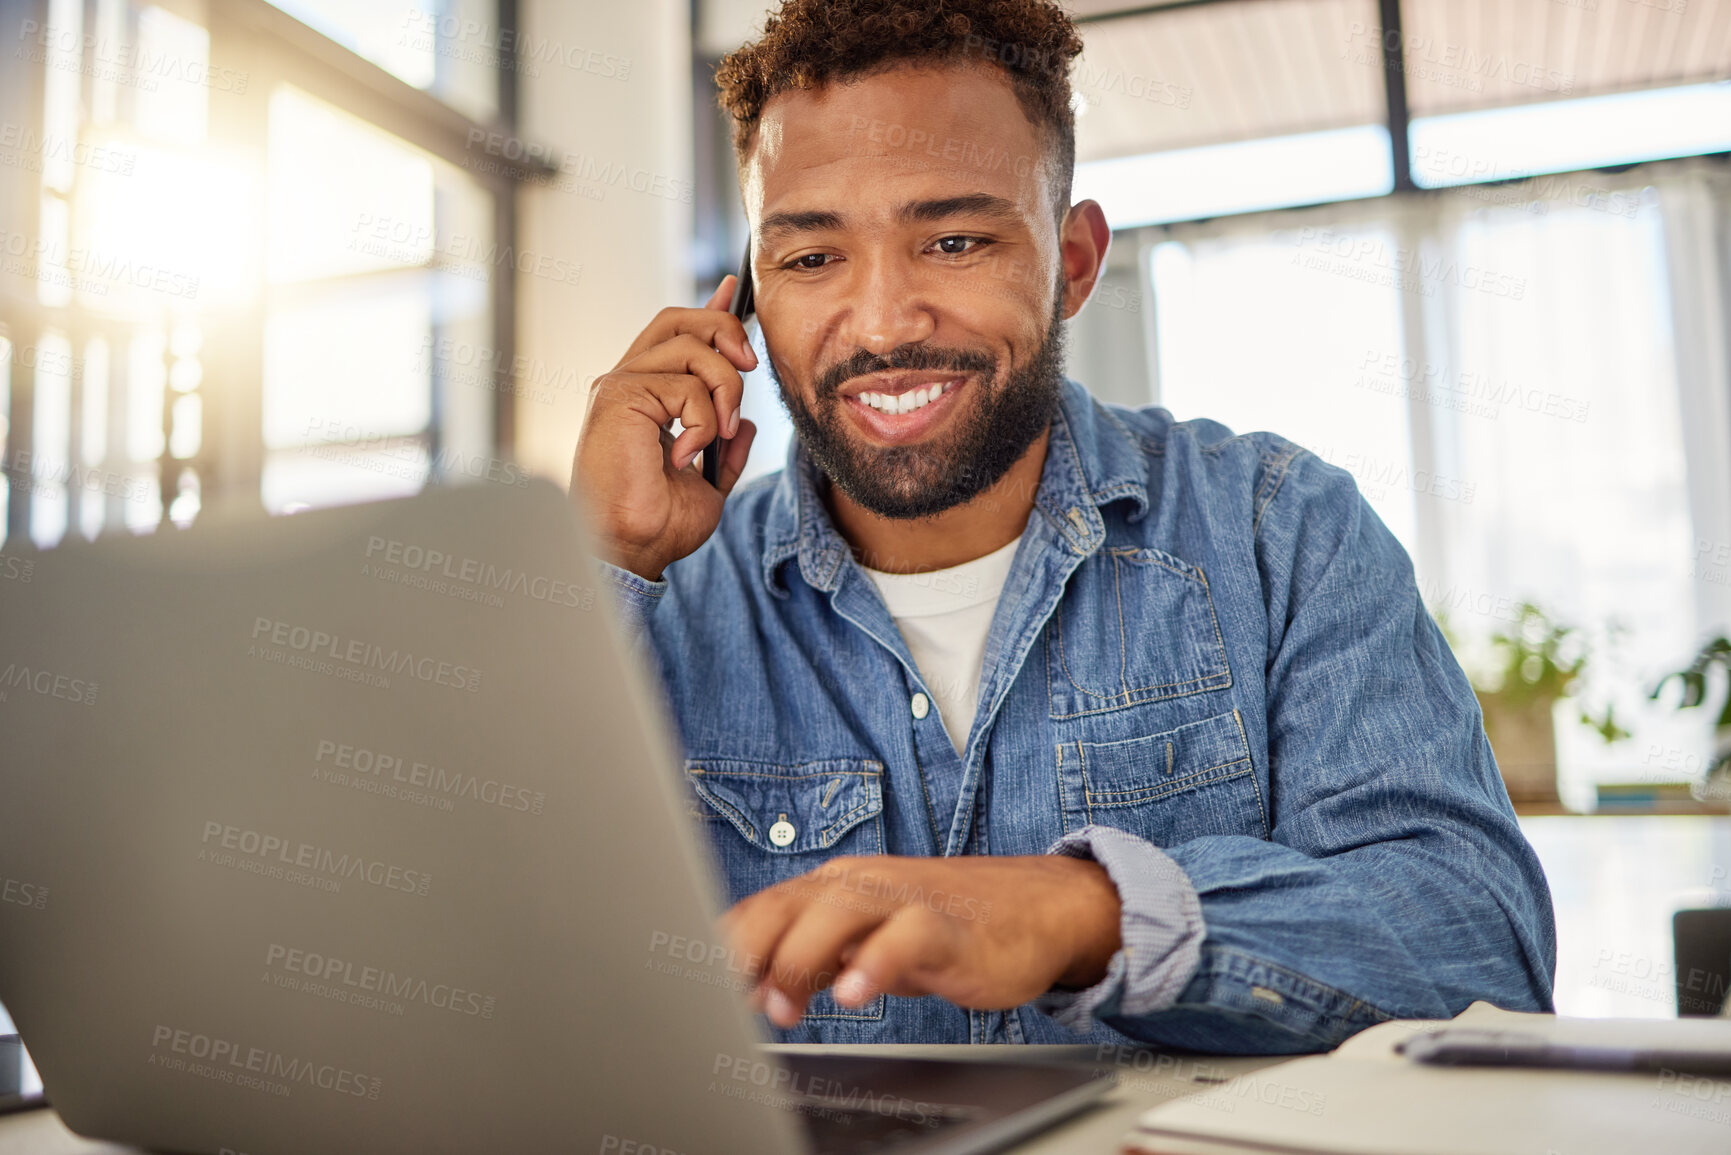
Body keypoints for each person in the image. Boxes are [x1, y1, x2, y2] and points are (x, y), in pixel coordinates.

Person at [570, 0, 1555, 1052]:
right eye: (812, 260)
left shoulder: (1283, 532)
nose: (886, 322)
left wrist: (1088, 914)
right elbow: (493, 986)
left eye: (953, 240)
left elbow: (1478, 945)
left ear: (1074, 261)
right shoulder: (666, 592)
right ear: (748, 302)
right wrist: (597, 569)